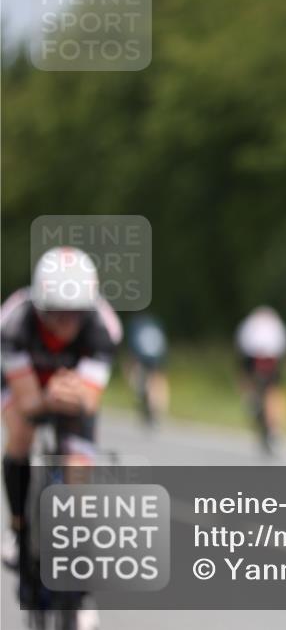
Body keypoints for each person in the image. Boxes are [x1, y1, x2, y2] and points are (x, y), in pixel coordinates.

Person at [1, 246, 121, 629]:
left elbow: (89, 399)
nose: (66, 323)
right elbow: (27, 402)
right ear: (39, 307)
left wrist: (73, 395)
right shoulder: (14, 324)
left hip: (73, 390)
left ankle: (81, 592)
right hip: (23, 382)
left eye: (75, 314)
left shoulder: (104, 327)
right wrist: (46, 397)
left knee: (78, 474)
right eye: (56, 312)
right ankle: (18, 526)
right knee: (20, 433)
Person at [235, 305, 286, 452]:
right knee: (274, 392)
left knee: (268, 391)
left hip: (257, 357)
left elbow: (241, 346)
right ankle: (273, 428)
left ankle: (252, 403)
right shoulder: (272, 323)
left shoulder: (252, 323)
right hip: (265, 357)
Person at [125, 314, 170, 425]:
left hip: (142, 353)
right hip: (157, 354)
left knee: (136, 373)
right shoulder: (155, 324)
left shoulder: (136, 325)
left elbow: (133, 343)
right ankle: (157, 408)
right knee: (157, 380)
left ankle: (142, 394)